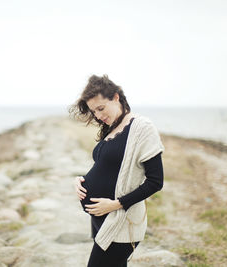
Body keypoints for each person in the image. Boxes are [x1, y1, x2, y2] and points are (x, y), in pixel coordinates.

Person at [68, 74, 165, 267]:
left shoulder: (142, 128)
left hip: (121, 223)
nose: (98, 116)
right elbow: (106, 166)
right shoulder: (111, 128)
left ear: (115, 97)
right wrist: (80, 180)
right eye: (94, 111)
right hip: (102, 221)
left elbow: (156, 181)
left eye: (101, 108)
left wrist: (116, 204)